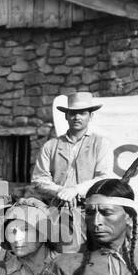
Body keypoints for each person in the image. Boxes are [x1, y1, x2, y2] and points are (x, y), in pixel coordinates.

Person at [30, 91, 111, 247]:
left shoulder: (100, 144)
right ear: (66, 116)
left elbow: (104, 178)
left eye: (82, 113)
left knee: (90, 255)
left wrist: (76, 190)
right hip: (56, 210)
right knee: (55, 253)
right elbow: (38, 179)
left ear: (90, 116)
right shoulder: (51, 146)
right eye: (72, 113)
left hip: (90, 211)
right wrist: (61, 191)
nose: (77, 117)